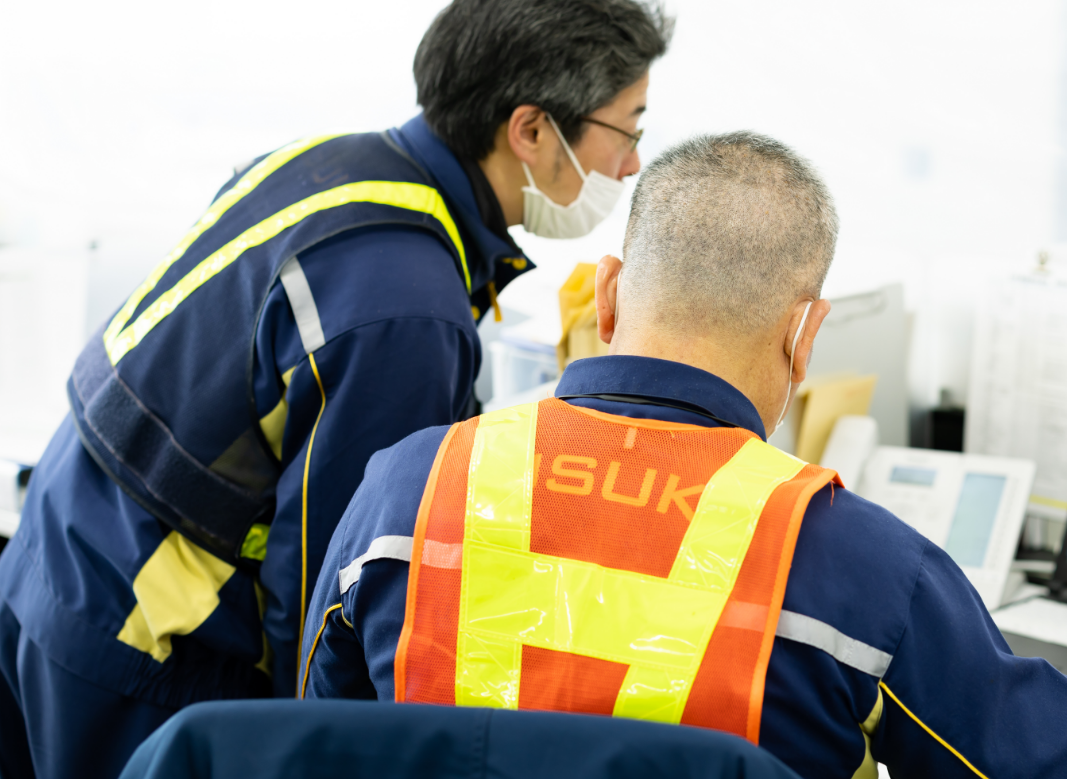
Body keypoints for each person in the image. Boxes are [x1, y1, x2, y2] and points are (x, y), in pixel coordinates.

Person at [0, 0, 673, 779]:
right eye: (628, 128)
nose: (631, 165)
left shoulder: (324, 164)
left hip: (47, 565)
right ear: (530, 129)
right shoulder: (405, 309)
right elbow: (329, 587)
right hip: (143, 643)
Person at [299, 132, 1067, 779]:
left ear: (606, 295)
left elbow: (311, 740)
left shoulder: (409, 487)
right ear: (804, 335)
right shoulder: (868, 567)